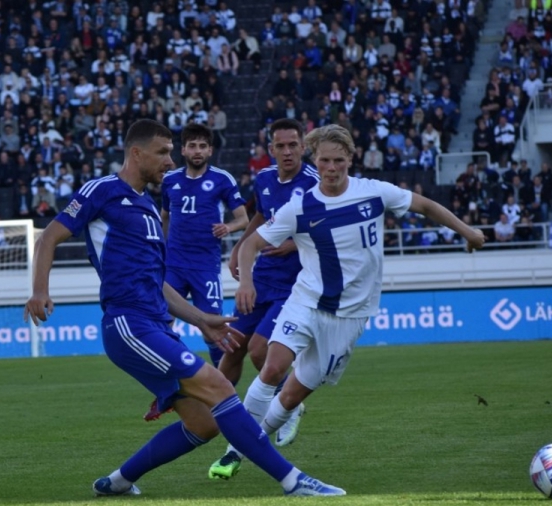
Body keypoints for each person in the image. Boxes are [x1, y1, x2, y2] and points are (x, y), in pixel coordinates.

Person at [26, 119, 345, 498]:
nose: (170, 160)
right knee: (220, 385)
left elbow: (158, 282)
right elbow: (49, 236)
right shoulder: (103, 191)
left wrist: (201, 319)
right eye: (162, 152)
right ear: (136, 153)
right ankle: (293, 481)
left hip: (155, 324)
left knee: (204, 423)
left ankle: (118, 481)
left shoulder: (147, 206)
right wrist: (39, 290)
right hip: (129, 324)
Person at [229, 125, 485, 477]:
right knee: (271, 367)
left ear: (350, 159)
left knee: (289, 398)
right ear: (314, 161)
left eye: (338, 161)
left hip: (349, 316)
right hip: (306, 300)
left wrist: (468, 232)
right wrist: (246, 282)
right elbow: (253, 243)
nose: (331, 168)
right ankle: (234, 451)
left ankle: (254, 439)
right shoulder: (300, 206)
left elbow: (425, 205)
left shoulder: (374, 193)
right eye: (324, 161)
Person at [209, 119, 320, 481]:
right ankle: (223, 417)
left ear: (303, 146)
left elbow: (328, 228)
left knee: (260, 351)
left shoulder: (317, 184)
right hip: (262, 280)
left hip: (294, 284)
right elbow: (260, 214)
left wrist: (292, 243)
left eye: (293, 145)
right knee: (231, 348)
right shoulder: (266, 179)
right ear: (270, 149)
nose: (287, 152)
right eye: (280, 146)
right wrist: (242, 245)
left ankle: (291, 404)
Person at [143, 124, 248, 422]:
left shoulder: (221, 180)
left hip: (204, 266)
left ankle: (224, 391)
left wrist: (228, 227)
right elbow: (164, 217)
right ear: (183, 149)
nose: (197, 151)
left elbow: (244, 218)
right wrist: (158, 251)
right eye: (192, 146)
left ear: (210, 150)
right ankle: (168, 392)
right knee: (161, 325)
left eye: (203, 146)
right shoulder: (170, 180)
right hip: (173, 265)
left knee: (213, 333)